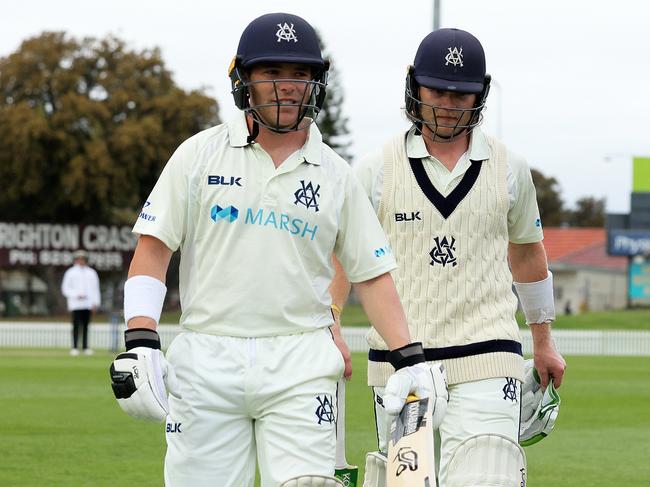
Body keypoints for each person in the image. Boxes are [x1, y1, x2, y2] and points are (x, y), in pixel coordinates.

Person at [109, 13, 443, 487]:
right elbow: (154, 247)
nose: (287, 87)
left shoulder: (336, 175)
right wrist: (140, 337)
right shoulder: (198, 155)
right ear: (243, 79)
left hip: (301, 363)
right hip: (206, 358)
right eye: (272, 74)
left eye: (300, 75)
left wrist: (409, 355)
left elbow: (370, 273)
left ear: (315, 84)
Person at [330, 28, 567, 487]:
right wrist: (332, 322)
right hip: (403, 366)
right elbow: (344, 256)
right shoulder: (376, 170)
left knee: (488, 475)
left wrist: (543, 340)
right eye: (437, 90)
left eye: (462, 94)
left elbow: (527, 256)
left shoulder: (509, 169)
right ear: (414, 86)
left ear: (480, 94)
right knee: (406, 484)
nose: (448, 104)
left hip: (490, 355)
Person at [61, 249, 101, 355]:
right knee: (76, 325)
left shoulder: (91, 273)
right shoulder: (70, 272)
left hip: (88, 303)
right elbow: (65, 288)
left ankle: (85, 347)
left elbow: (95, 289)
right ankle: (74, 347)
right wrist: (76, 295)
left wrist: (95, 303)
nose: (81, 261)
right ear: (76, 260)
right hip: (75, 304)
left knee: (86, 326)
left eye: (83, 259)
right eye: (79, 259)